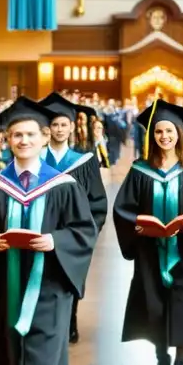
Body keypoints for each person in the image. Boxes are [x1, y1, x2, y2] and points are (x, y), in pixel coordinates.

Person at [0, 97, 98, 365]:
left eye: (30, 134)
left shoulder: (63, 186)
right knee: (3, 354)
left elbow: (83, 230)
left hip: (48, 287)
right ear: (7, 140)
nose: (24, 140)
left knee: (43, 361)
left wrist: (56, 241)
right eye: (17, 135)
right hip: (3, 286)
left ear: (44, 137)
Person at [113, 99, 183, 365]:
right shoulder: (140, 170)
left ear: (179, 133)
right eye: (158, 132)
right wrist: (140, 225)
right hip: (150, 251)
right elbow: (123, 209)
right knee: (154, 308)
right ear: (152, 136)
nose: (164, 136)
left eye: (169, 131)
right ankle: (161, 355)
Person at [38, 92, 109, 344]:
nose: (59, 129)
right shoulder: (35, 159)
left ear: (72, 127)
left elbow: (97, 200)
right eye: (54, 124)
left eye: (63, 125)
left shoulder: (84, 161)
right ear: (47, 128)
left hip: (73, 232)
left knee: (71, 275)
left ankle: (71, 318)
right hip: (40, 232)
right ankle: (47, 322)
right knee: (42, 277)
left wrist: (88, 230)